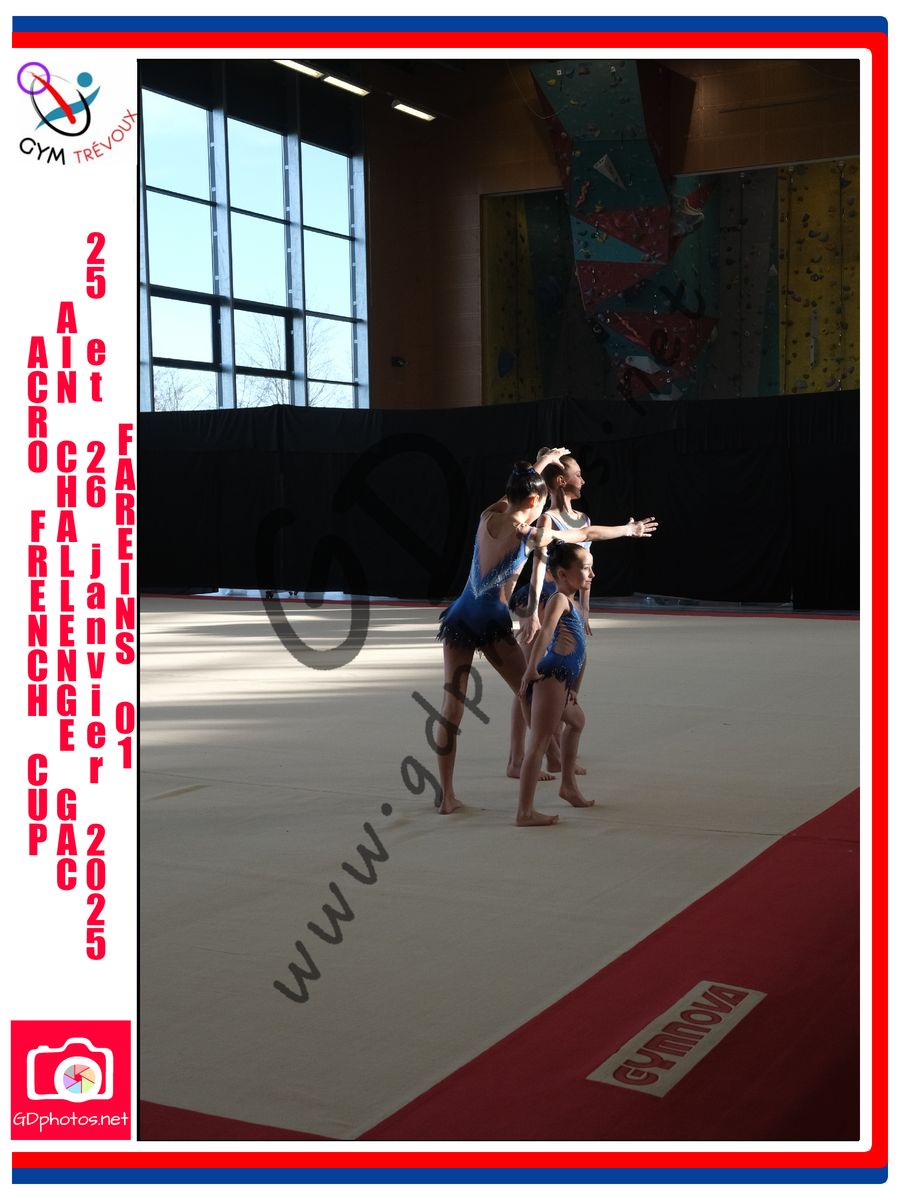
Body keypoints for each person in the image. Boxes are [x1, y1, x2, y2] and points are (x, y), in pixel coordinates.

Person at [435, 451, 656, 817]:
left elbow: (515, 492)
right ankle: (548, 754)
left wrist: (539, 466)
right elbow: (585, 534)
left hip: (460, 616)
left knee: (451, 708)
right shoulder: (531, 536)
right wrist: (627, 530)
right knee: (530, 688)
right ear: (534, 502)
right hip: (490, 623)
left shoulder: (488, 515)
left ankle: (446, 796)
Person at [507, 452, 657, 779]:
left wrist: (585, 610)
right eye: (578, 474)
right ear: (562, 481)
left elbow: (585, 567)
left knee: (562, 674)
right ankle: (520, 758)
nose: (583, 480)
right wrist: (531, 612)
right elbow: (538, 568)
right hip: (544, 600)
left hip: (567, 603)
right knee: (529, 680)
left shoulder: (583, 519)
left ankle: (553, 752)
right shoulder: (548, 520)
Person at [516, 542, 596, 826]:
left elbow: (582, 653)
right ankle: (524, 812)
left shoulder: (575, 604)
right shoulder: (559, 599)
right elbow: (546, 632)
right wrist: (530, 669)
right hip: (550, 675)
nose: (592, 575)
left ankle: (568, 786)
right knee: (538, 743)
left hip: (564, 679)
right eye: (585, 569)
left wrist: (575, 687)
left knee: (577, 721)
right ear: (562, 574)